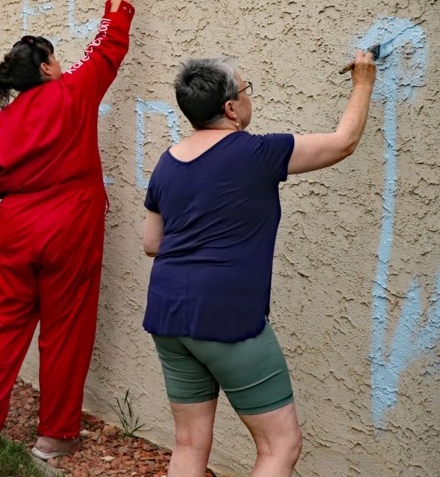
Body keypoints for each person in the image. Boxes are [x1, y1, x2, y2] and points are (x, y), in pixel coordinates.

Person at [141, 53, 376, 477]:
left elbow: (151, 243)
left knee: (189, 442)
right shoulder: (258, 152)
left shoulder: (167, 162)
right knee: (279, 444)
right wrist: (362, 83)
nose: (250, 99)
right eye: (247, 91)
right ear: (231, 108)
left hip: (167, 310)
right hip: (227, 316)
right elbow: (343, 141)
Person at [0, 0, 136, 459]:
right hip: (70, 228)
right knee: (65, 328)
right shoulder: (72, 92)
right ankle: (54, 435)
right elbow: (110, 41)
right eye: (56, 59)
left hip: (17, 232)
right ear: (44, 67)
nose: (63, 65)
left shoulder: (0, 124)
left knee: (4, 322)